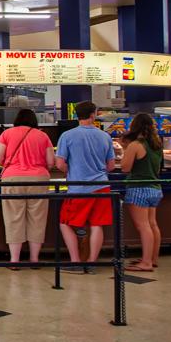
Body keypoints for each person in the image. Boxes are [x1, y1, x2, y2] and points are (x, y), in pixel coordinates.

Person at [55, 101, 115, 274]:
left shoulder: (67, 135)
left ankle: (75, 262)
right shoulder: (105, 136)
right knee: (97, 225)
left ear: (76, 115)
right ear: (93, 114)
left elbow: (60, 163)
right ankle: (92, 263)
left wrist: (71, 170)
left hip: (78, 187)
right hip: (102, 187)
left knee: (65, 223)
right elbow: (110, 166)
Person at [0, 109, 55, 269]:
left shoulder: (7, 134)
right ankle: (34, 259)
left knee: (14, 218)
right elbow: (50, 162)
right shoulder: (43, 136)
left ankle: (15, 260)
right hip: (39, 179)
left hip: (13, 178)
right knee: (37, 219)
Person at [120, 113, 163, 272]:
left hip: (139, 188)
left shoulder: (135, 145)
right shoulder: (157, 144)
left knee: (143, 226)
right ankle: (152, 258)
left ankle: (145, 263)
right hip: (155, 188)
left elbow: (125, 167)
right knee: (152, 224)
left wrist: (125, 148)